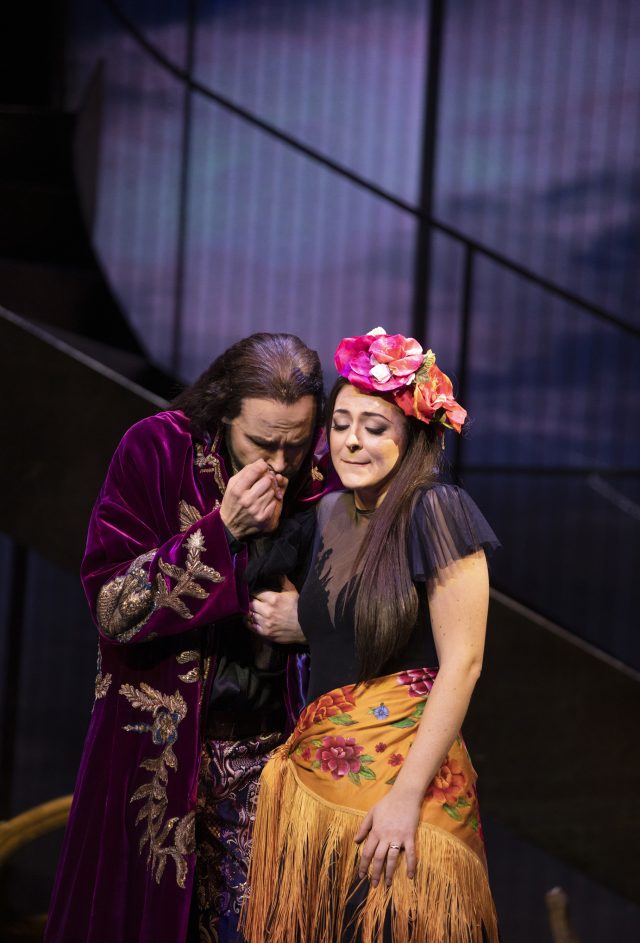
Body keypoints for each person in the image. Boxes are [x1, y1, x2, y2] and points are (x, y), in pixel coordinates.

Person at [44, 333, 332, 943]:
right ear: (223, 413)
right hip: (156, 752)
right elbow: (112, 609)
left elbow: (375, 612)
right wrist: (220, 531)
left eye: (296, 443)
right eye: (262, 443)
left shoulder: (325, 474)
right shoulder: (157, 450)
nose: (280, 463)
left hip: (274, 755)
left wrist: (311, 621)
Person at [241, 327, 501, 943]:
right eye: (340, 424)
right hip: (321, 789)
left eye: (375, 427)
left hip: (404, 787)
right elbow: (343, 623)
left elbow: (463, 663)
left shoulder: (435, 509)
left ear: (410, 437)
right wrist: (303, 622)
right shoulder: (329, 511)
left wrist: (406, 797)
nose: (351, 440)